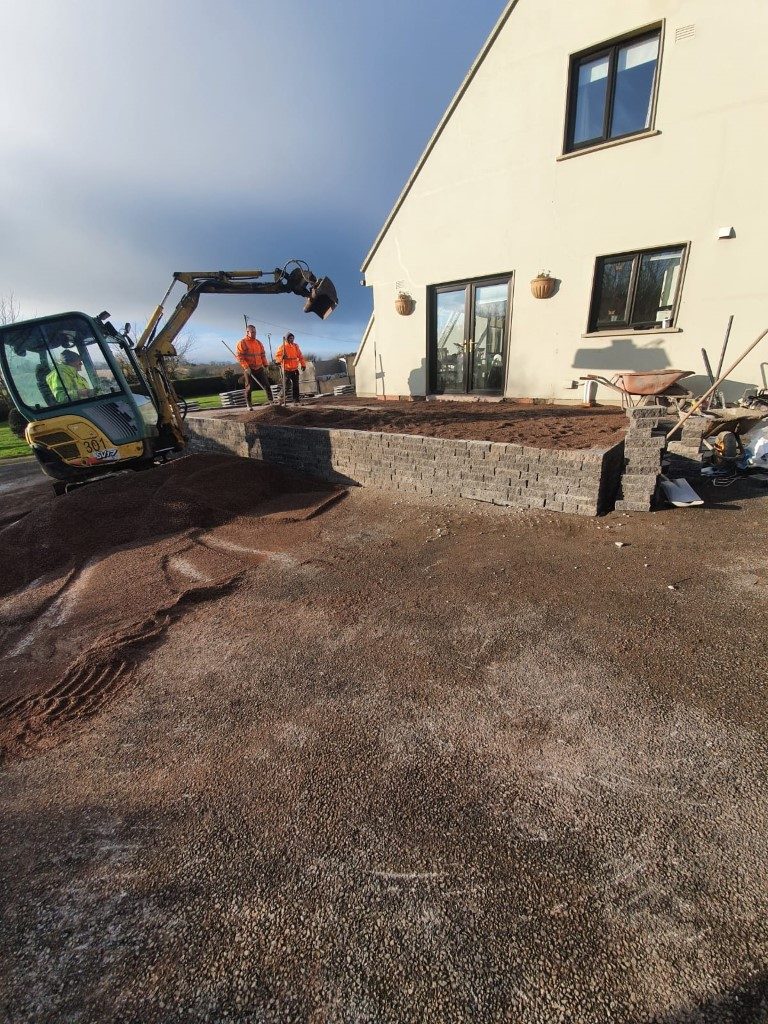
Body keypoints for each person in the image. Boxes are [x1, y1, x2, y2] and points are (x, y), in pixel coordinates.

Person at [235, 325, 273, 410]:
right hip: (249, 368)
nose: (254, 334)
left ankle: (271, 402)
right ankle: (249, 405)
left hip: (259, 368)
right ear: (247, 332)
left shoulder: (258, 343)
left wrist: (266, 365)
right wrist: (246, 367)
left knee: (267, 384)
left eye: (255, 332)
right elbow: (240, 357)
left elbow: (262, 355)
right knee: (249, 387)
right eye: (252, 332)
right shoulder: (242, 343)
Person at [275, 332, 306, 404]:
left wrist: (303, 364)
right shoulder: (282, 347)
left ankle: (296, 400)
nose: (292, 340)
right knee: (287, 385)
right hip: (286, 369)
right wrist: (282, 357)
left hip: (294, 369)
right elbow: (277, 358)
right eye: (290, 338)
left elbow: (300, 356)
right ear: (287, 339)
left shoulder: (295, 346)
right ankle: (280, 395)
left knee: (296, 385)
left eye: (292, 338)